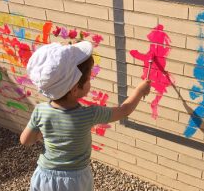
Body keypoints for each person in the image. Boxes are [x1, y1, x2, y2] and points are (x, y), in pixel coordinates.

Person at [20, 41, 151, 191]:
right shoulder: (89, 114)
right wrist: (140, 91)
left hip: (44, 178)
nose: (90, 82)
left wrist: (41, 135)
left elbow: (25, 140)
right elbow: (124, 110)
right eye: (89, 79)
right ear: (75, 89)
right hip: (75, 182)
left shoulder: (40, 111)